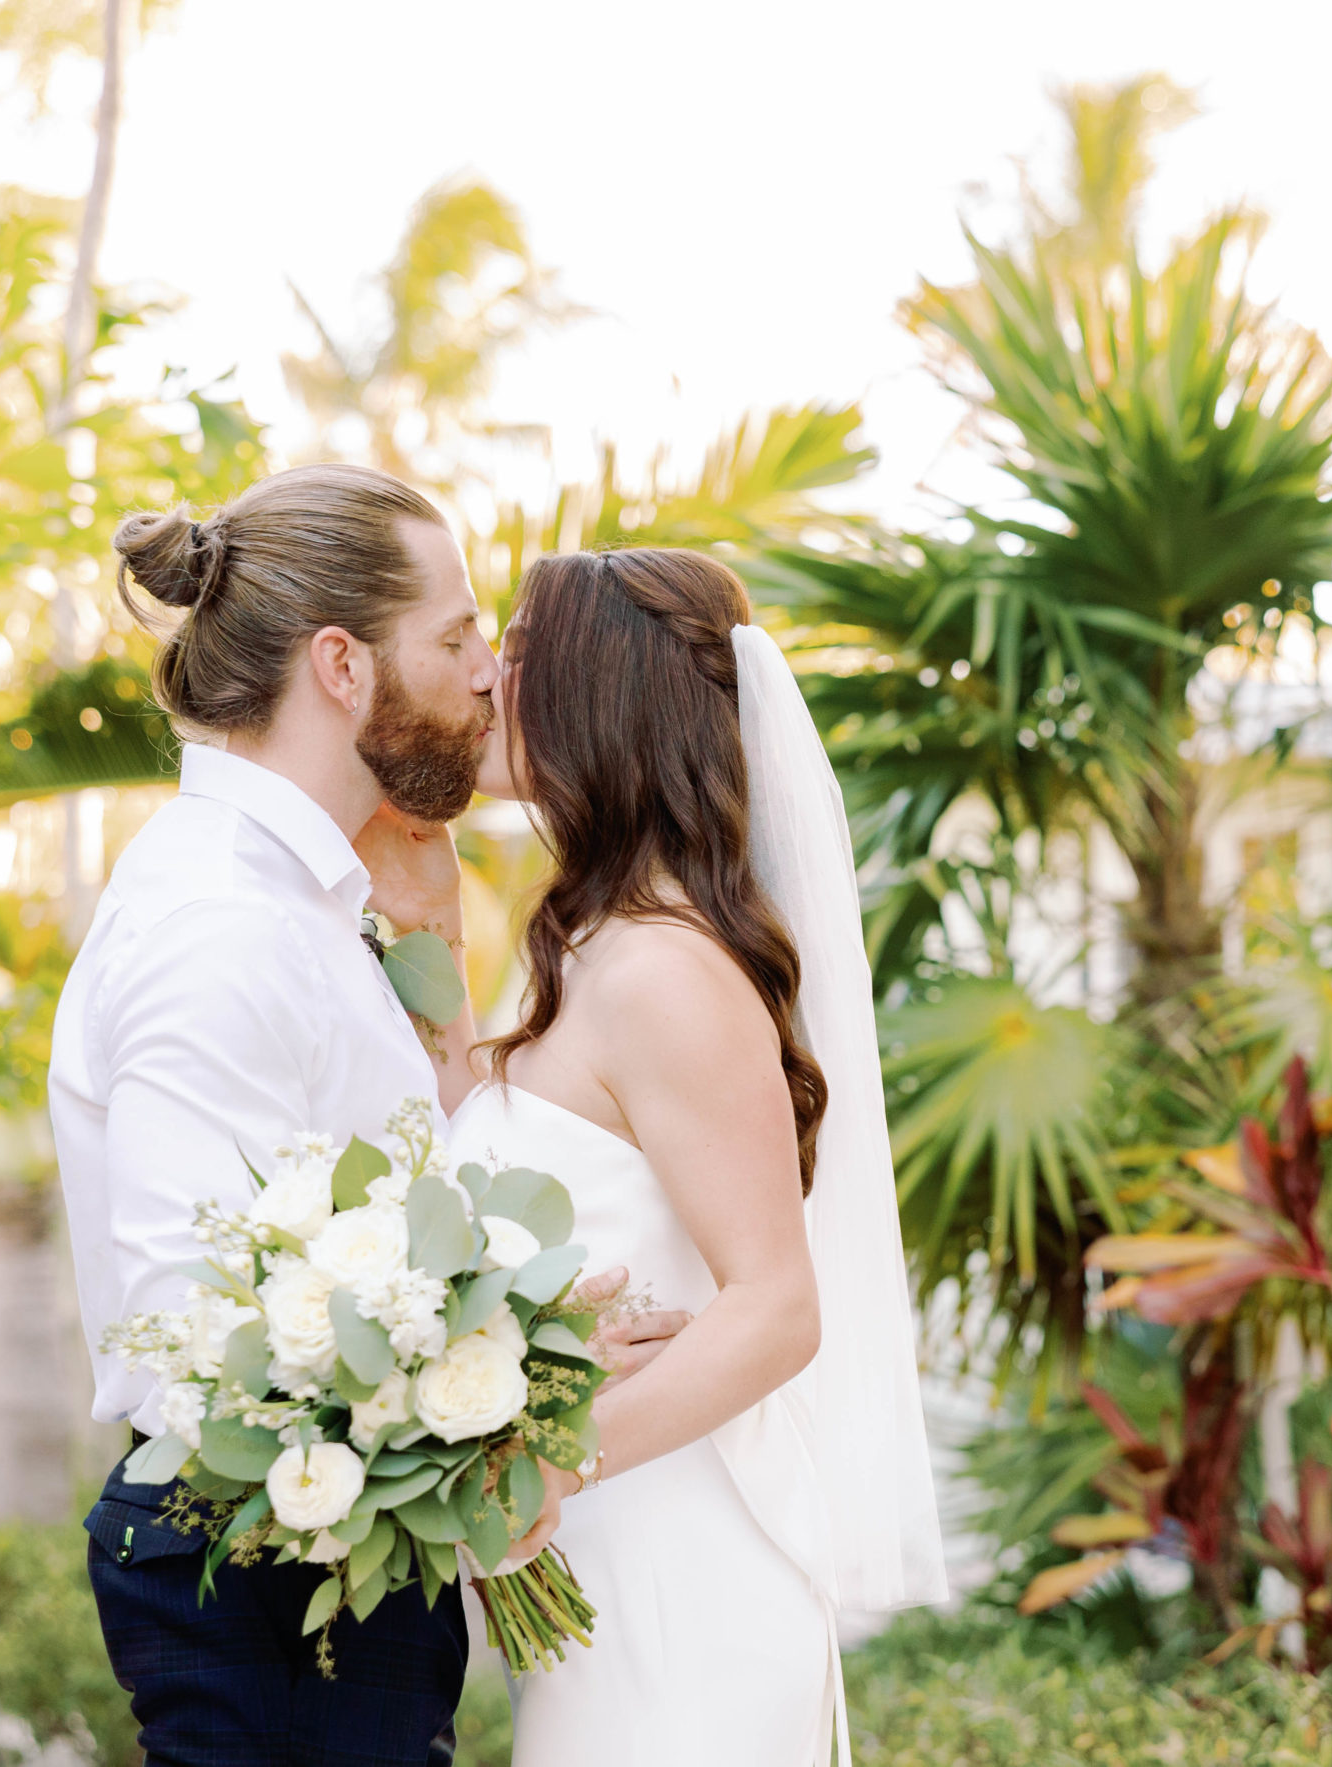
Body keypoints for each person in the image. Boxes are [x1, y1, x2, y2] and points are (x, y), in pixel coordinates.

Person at [51, 466, 682, 1767]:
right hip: (265, 1580)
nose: (489, 676)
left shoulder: (302, 901)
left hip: (314, 1568)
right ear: (342, 666)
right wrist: (510, 1394)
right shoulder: (217, 925)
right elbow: (200, 1340)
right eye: (456, 637)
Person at [358, 548, 946, 1766]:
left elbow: (778, 1307)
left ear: (595, 694)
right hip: (606, 1601)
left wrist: (541, 1463)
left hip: (689, 1600)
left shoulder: (668, 970)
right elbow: (520, 1158)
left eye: (514, 646)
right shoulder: (598, 945)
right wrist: (425, 934)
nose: (483, 675)